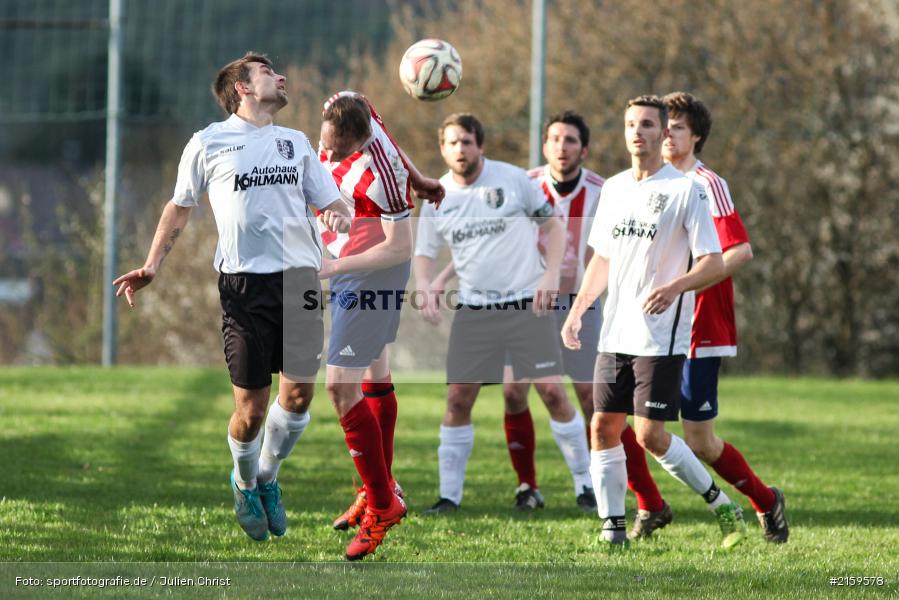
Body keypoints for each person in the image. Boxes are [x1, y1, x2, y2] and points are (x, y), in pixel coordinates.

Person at [112, 53, 351, 545]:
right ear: (242, 87)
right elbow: (178, 208)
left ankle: (266, 477)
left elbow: (333, 204)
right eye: (268, 73)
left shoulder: (296, 143)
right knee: (252, 410)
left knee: (301, 395)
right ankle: (242, 482)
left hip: (300, 279)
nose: (282, 77)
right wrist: (152, 264)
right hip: (244, 288)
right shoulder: (208, 143)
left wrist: (337, 217)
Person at [561, 95, 745, 548]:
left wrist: (675, 287)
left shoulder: (686, 190)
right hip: (614, 332)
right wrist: (578, 308)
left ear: (662, 133)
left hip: (661, 337)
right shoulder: (615, 188)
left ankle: (721, 504)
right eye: (630, 124)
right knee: (602, 427)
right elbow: (602, 257)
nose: (637, 132)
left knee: (649, 435)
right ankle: (612, 527)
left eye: (646, 124)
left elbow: (712, 260)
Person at [414, 113, 583, 514]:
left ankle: (586, 487)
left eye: (467, 142)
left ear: (481, 146)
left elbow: (554, 227)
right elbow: (423, 252)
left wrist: (549, 277)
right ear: (443, 149)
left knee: (553, 393)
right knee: (457, 399)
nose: (460, 149)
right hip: (475, 311)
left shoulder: (512, 180)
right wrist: (425, 284)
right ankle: (448, 497)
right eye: (452, 143)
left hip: (526, 305)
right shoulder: (437, 197)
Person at [316, 91, 445, 560]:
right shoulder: (351, 103)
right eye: (325, 145)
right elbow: (385, 130)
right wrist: (423, 176)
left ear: (362, 142)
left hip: (370, 268)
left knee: (337, 387)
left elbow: (400, 248)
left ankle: (383, 505)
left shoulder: (384, 179)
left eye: (339, 152)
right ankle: (378, 490)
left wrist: (332, 269)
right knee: (374, 374)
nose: (327, 156)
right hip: (347, 257)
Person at [655, 91, 788, 543]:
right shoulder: (645, 184)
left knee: (700, 442)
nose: (667, 134)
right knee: (623, 423)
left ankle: (766, 501)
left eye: (677, 127)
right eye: (663, 125)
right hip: (650, 323)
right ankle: (644, 508)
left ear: (696, 137)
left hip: (697, 327)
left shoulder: (706, 183)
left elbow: (739, 250)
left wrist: (685, 283)